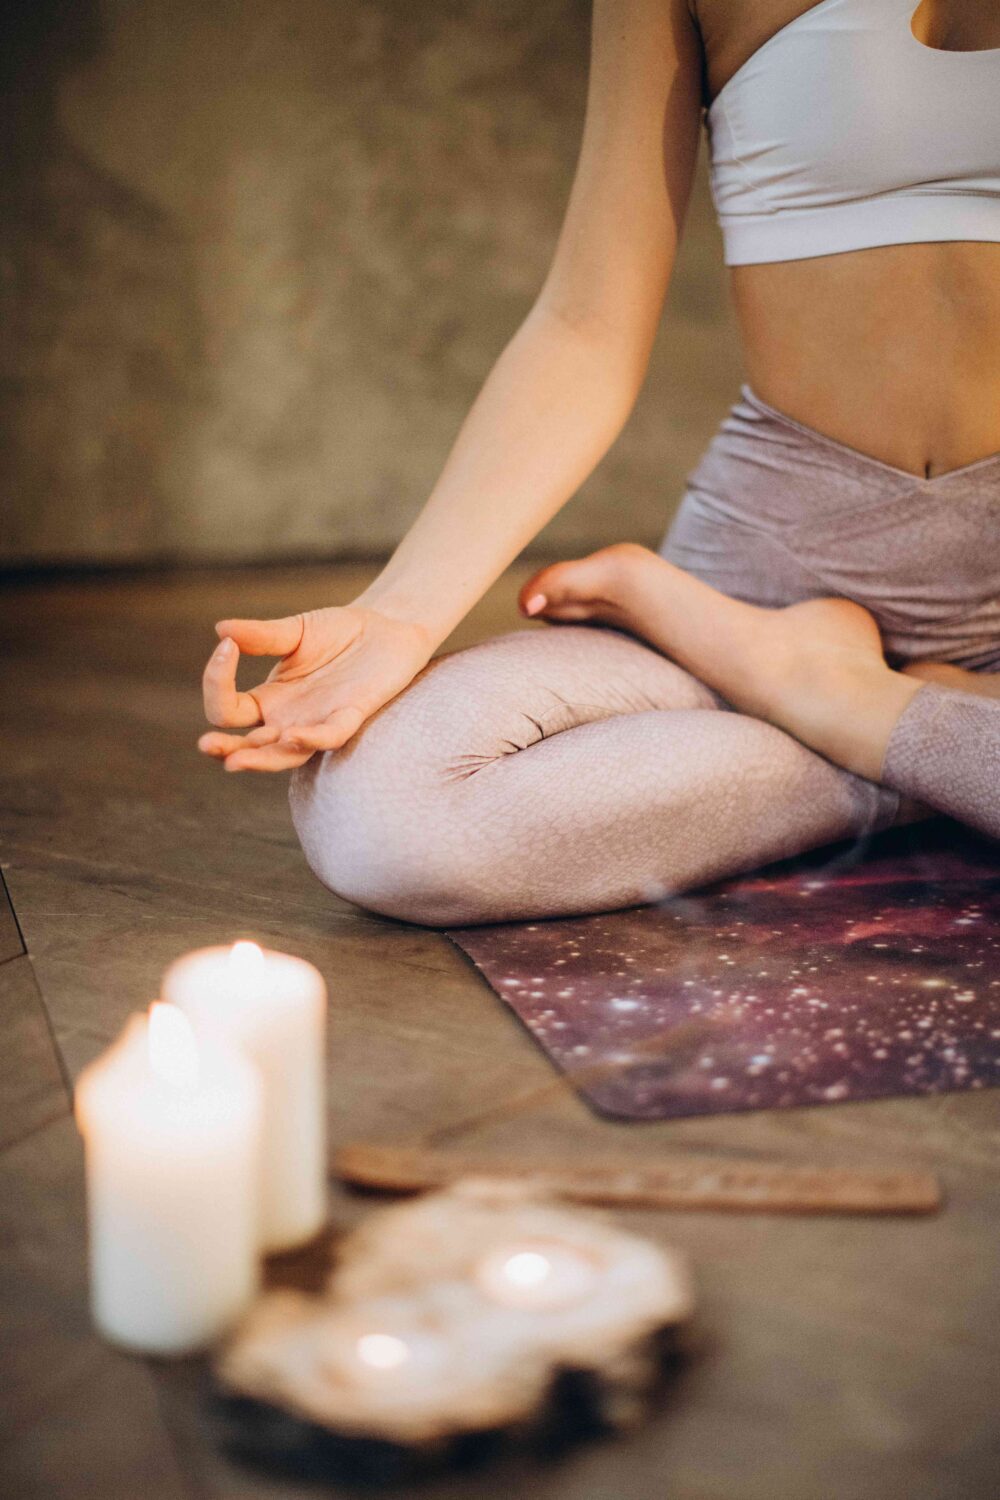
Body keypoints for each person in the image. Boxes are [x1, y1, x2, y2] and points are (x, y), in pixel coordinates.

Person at [198, 0, 1000, 925]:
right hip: (765, 581)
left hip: (885, 624)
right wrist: (397, 615)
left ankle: (840, 702)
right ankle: (934, 737)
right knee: (380, 812)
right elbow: (587, 328)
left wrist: (862, 709)